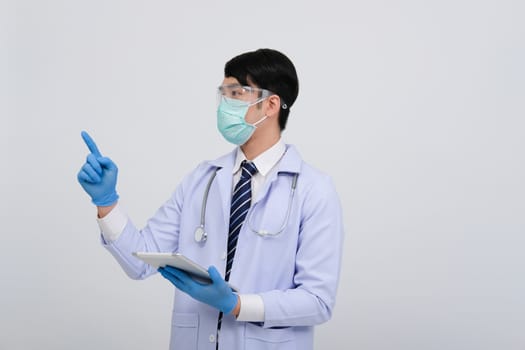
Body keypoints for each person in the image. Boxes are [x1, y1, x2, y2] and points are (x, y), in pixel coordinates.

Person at [77, 48, 344, 350]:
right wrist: (106, 203)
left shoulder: (314, 189)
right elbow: (141, 260)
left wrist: (238, 305)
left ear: (271, 104)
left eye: (236, 93)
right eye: (223, 94)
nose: (224, 105)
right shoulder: (201, 180)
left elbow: (318, 300)